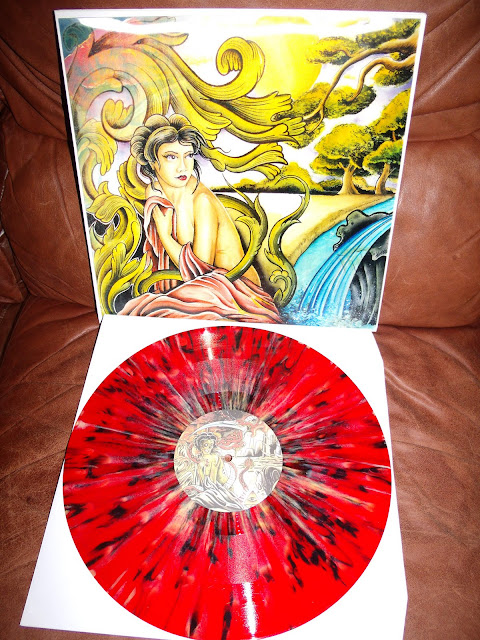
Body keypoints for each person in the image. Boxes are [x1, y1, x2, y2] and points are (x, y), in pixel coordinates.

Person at [119, 114, 281, 323]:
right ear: (153, 162)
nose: (183, 167)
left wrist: (165, 236)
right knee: (141, 311)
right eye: (171, 157)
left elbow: (200, 272)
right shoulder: (155, 191)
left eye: (188, 155)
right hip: (201, 290)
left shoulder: (202, 201)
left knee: (149, 311)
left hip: (236, 292)